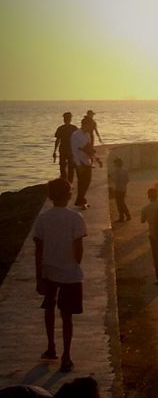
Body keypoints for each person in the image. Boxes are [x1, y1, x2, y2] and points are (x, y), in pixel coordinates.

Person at [33, 177, 87, 370]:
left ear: (49, 196)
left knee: (49, 309)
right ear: (70, 195)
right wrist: (73, 264)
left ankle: (51, 347)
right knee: (67, 316)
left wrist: (39, 276)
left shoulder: (43, 219)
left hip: (48, 271)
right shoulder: (75, 218)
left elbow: (38, 250)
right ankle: (66, 355)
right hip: (70, 273)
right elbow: (78, 248)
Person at [70, 118, 95, 208]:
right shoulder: (77, 134)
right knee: (82, 182)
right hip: (79, 162)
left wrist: (92, 157)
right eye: (91, 126)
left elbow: (88, 149)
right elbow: (87, 148)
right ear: (86, 124)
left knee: (87, 181)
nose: (92, 128)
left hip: (86, 161)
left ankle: (81, 200)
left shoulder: (87, 134)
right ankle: (80, 201)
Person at [52, 112, 77, 183]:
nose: (66, 119)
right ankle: (68, 183)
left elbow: (57, 140)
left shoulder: (62, 128)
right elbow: (58, 140)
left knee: (64, 167)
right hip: (67, 150)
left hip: (66, 150)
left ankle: (66, 183)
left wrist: (54, 151)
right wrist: (54, 151)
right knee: (68, 167)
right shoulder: (73, 128)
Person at [110, 157, 131, 222]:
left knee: (119, 204)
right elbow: (127, 180)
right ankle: (127, 215)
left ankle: (123, 216)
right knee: (122, 203)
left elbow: (115, 180)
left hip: (118, 189)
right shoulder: (125, 171)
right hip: (124, 188)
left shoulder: (116, 172)